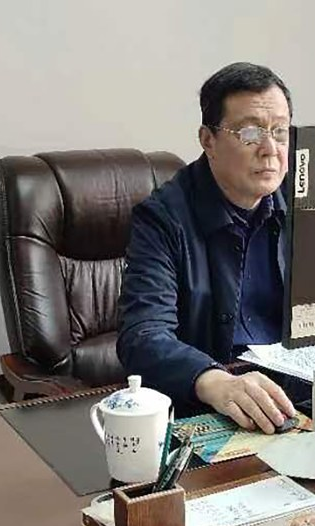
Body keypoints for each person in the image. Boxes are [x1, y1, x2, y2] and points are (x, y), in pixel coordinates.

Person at [117, 62, 297, 434]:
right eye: (250, 133)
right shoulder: (163, 218)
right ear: (208, 140)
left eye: (280, 131)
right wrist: (215, 381)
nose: (270, 150)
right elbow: (144, 336)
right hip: (214, 408)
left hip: (297, 396)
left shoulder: (305, 199)